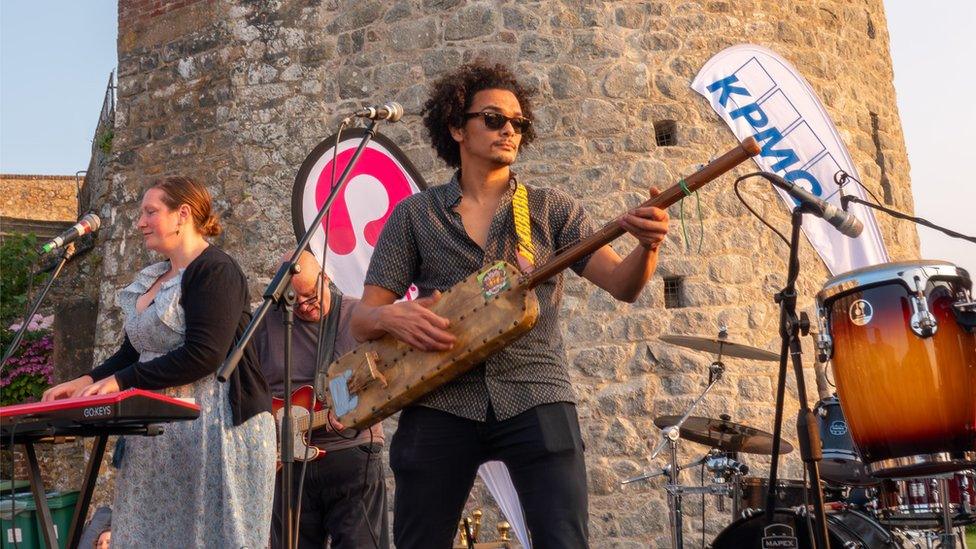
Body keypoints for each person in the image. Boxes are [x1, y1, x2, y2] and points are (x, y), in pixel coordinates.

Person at [350, 61, 671, 548]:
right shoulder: (415, 215)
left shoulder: (551, 209)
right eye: (494, 119)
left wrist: (648, 246)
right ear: (457, 127)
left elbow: (621, 285)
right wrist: (390, 314)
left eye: (518, 123)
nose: (509, 131)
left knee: (564, 539)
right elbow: (360, 321)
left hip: (536, 391)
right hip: (440, 398)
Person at [42, 176, 276, 547]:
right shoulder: (153, 277)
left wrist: (123, 382)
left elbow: (205, 354)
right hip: (159, 433)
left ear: (182, 214)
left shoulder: (216, 270)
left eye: (151, 212)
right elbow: (131, 352)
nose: (140, 222)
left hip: (215, 428)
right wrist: (84, 381)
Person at [253, 250, 389, 549]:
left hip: (350, 453)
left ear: (326, 277)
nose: (303, 306)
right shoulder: (264, 323)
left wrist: (345, 409)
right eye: (292, 300)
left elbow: (384, 381)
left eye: (309, 295)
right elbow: (245, 386)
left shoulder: (358, 318)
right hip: (286, 461)